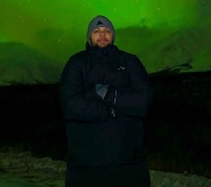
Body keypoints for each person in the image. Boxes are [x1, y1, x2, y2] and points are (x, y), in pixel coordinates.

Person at [59, 14, 153, 187]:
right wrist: (110, 110)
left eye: (106, 30)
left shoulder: (130, 62)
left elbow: (143, 101)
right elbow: (70, 104)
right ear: (89, 37)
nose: (102, 34)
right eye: (96, 31)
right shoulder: (76, 63)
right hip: (85, 167)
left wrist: (108, 94)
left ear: (113, 35)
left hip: (129, 164)